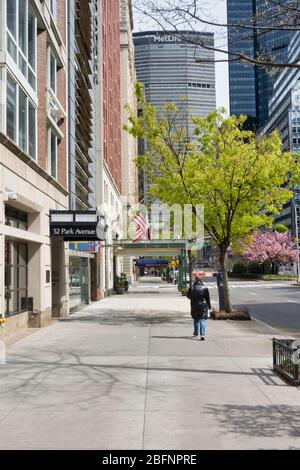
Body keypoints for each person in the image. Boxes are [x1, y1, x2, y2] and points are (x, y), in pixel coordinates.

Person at [187, 275, 211, 340]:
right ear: (201, 280)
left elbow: (188, 296)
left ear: (195, 280)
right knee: (202, 320)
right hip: (203, 305)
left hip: (194, 305)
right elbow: (207, 298)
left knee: (196, 319)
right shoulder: (204, 288)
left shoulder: (191, 287)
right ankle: (202, 334)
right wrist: (209, 306)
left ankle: (196, 332)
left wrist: (193, 299)